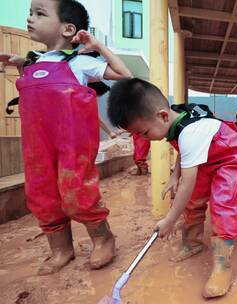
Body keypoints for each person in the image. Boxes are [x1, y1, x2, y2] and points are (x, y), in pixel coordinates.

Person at [0, 0, 131, 275]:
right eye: (30, 13)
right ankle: (61, 249)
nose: (30, 18)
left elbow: (123, 74)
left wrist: (98, 47)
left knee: (77, 191)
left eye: (39, 14)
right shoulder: (33, 61)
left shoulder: (80, 63)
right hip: (37, 147)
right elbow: (41, 75)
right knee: (41, 194)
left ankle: (103, 238)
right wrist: (20, 62)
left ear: (68, 28)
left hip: (73, 145)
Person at [107, 78, 237, 298]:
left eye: (144, 133)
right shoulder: (175, 121)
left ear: (163, 116)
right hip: (207, 159)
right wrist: (175, 175)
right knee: (193, 199)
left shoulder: (189, 133)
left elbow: (188, 181)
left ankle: (222, 266)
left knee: (221, 204)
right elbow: (184, 152)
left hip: (232, 159)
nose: (143, 139)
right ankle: (192, 242)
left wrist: (170, 220)